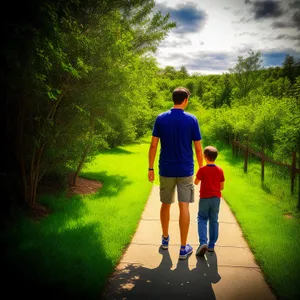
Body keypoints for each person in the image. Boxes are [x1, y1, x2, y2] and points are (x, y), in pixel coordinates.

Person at [148, 87, 203, 260]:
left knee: (165, 204)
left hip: (166, 169)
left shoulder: (161, 118)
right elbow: (199, 149)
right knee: (184, 206)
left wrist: (150, 168)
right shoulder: (192, 119)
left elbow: (153, 146)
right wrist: (201, 170)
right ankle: (183, 248)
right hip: (186, 170)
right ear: (185, 99)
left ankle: (165, 240)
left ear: (174, 99)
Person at [194, 146, 225, 256]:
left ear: (205, 156)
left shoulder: (202, 169)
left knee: (202, 218)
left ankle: (203, 243)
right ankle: (211, 245)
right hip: (216, 199)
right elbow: (221, 187)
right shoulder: (220, 170)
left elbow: (196, 182)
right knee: (214, 220)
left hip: (204, 199)